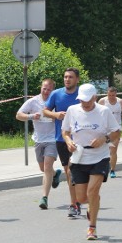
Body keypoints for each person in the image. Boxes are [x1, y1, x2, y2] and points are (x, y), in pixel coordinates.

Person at [61, 83, 120, 240]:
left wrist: (104, 139)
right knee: (81, 198)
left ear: (95, 97)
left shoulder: (104, 111)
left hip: (99, 156)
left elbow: (116, 131)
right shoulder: (72, 111)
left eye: (88, 100)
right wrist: (68, 141)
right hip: (80, 156)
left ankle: (92, 228)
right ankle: (93, 204)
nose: (85, 103)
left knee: (92, 191)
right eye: (82, 100)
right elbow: (65, 131)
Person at [16, 78, 62, 210]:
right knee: (43, 169)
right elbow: (18, 115)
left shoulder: (55, 101)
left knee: (47, 167)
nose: (46, 91)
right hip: (38, 139)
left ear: (53, 90)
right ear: (41, 88)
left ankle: (44, 198)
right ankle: (55, 174)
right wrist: (31, 117)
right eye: (44, 88)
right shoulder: (33, 101)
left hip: (53, 139)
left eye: (49, 89)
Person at [43, 67, 82, 217]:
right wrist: (56, 114)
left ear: (77, 79)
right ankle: (74, 203)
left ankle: (80, 199)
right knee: (69, 172)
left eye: (70, 77)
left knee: (79, 172)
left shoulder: (82, 94)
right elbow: (45, 111)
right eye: (65, 77)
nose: (67, 79)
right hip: (62, 139)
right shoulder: (56, 94)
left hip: (81, 139)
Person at [97, 86, 122, 178]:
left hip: (116, 129)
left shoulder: (120, 102)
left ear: (116, 94)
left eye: (113, 95)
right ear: (107, 93)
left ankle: (112, 170)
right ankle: (102, 168)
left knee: (113, 150)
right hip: (104, 128)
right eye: (109, 95)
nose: (111, 97)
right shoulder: (102, 101)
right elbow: (95, 112)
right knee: (103, 150)